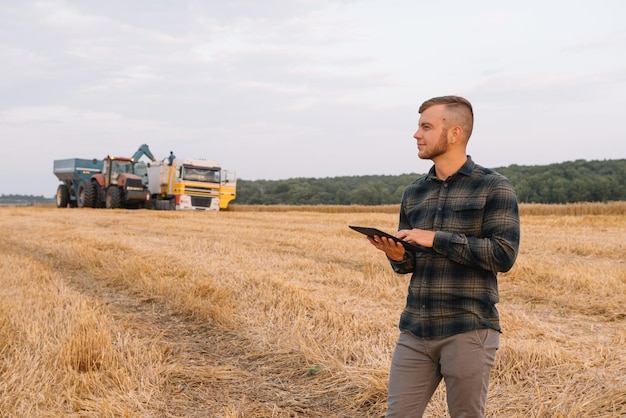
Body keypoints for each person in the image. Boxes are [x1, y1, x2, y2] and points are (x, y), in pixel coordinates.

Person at [367, 95, 520, 417]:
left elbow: (503, 255)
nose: (416, 135)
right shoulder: (414, 192)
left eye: (426, 126)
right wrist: (397, 255)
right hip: (415, 328)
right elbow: (410, 264)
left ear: (455, 134)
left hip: (468, 328)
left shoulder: (494, 187)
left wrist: (437, 238)